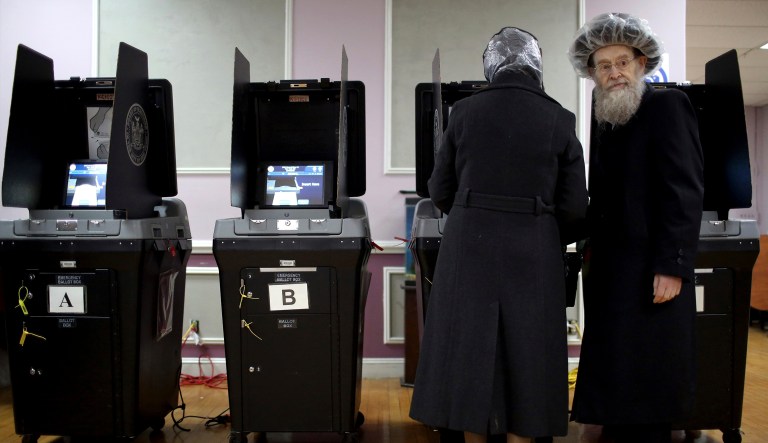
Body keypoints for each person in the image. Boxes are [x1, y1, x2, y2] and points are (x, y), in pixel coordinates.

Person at [409, 27, 588, 443]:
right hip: (535, 242)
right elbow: (575, 205)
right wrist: (544, 230)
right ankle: (530, 430)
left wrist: (473, 213)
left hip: (469, 241)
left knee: (463, 341)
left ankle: (456, 430)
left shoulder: (464, 113)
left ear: (491, 64)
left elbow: (439, 190)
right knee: (531, 347)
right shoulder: (560, 118)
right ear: (536, 64)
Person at [566, 13, 704, 443]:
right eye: (603, 66)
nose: (614, 73)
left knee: (649, 384)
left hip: (651, 271)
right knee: (617, 381)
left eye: (622, 62)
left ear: (642, 62)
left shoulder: (667, 106)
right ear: (592, 73)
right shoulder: (604, 113)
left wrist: (673, 265)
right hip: (610, 272)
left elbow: (684, 192)